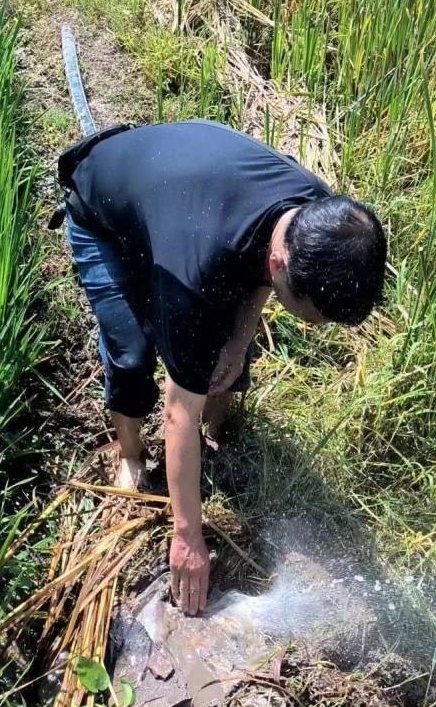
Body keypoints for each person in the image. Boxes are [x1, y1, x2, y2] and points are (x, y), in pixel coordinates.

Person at [58, 119, 386, 616]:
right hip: (100, 210)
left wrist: (238, 341)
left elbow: (258, 276)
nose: (317, 329)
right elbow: (178, 413)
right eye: (314, 316)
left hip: (180, 195)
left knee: (223, 349)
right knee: (134, 353)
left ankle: (221, 435)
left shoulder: (316, 215)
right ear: (283, 265)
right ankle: (128, 454)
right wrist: (187, 535)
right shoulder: (197, 271)